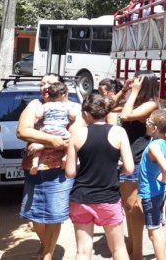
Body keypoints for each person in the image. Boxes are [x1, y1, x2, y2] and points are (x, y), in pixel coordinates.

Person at [17, 73, 83, 260]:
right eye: (41, 83)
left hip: (59, 171)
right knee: (34, 214)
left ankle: (47, 254)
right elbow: (22, 131)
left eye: (49, 83)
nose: (44, 86)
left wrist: (40, 143)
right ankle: (46, 245)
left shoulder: (74, 107)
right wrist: (50, 141)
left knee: (54, 213)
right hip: (34, 168)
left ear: (61, 87)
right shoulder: (35, 105)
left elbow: (73, 137)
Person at [65, 94, 134, 260]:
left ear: (87, 114)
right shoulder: (119, 132)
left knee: (82, 250)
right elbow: (129, 168)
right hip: (108, 197)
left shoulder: (77, 134)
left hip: (81, 197)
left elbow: (70, 172)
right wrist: (116, 168)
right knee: (118, 248)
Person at [118, 71, 159, 260]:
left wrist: (132, 93)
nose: (133, 81)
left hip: (137, 159)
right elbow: (109, 107)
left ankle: (138, 253)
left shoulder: (151, 104)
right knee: (127, 206)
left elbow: (125, 115)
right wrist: (125, 90)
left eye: (136, 79)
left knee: (133, 207)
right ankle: (132, 244)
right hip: (127, 158)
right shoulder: (136, 100)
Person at [138, 109, 166, 259]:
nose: (146, 123)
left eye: (149, 122)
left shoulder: (154, 146)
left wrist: (162, 176)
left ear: (155, 128)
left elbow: (165, 168)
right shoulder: (165, 142)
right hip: (162, 191)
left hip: (151, 193)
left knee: (153, 232)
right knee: (160, 226)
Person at [28, 81, 78, 175]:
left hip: (46, 130)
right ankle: (65, 157)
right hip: (61, 130)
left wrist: (38, 116)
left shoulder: (45, 105)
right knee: (70, 142)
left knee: (38, 144)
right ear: (63, 95)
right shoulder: (66, 106)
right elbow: (73, 116)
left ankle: (35, 163)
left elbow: (38, 115)